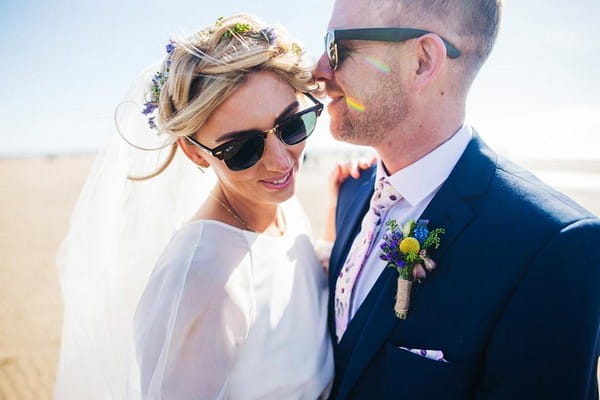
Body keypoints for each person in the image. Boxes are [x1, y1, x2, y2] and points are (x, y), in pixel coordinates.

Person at [54, 14, 370, 400]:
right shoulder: (202, 280)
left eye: (292, 126)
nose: (281, 162)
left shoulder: (278, 209)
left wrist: (338, 214)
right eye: (243, 149)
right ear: (195, 152)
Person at [313, 1, 600, 399]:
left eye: (336, 47)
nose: (318, 71)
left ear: (422, 61)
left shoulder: (551, 246)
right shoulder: (350, 192)